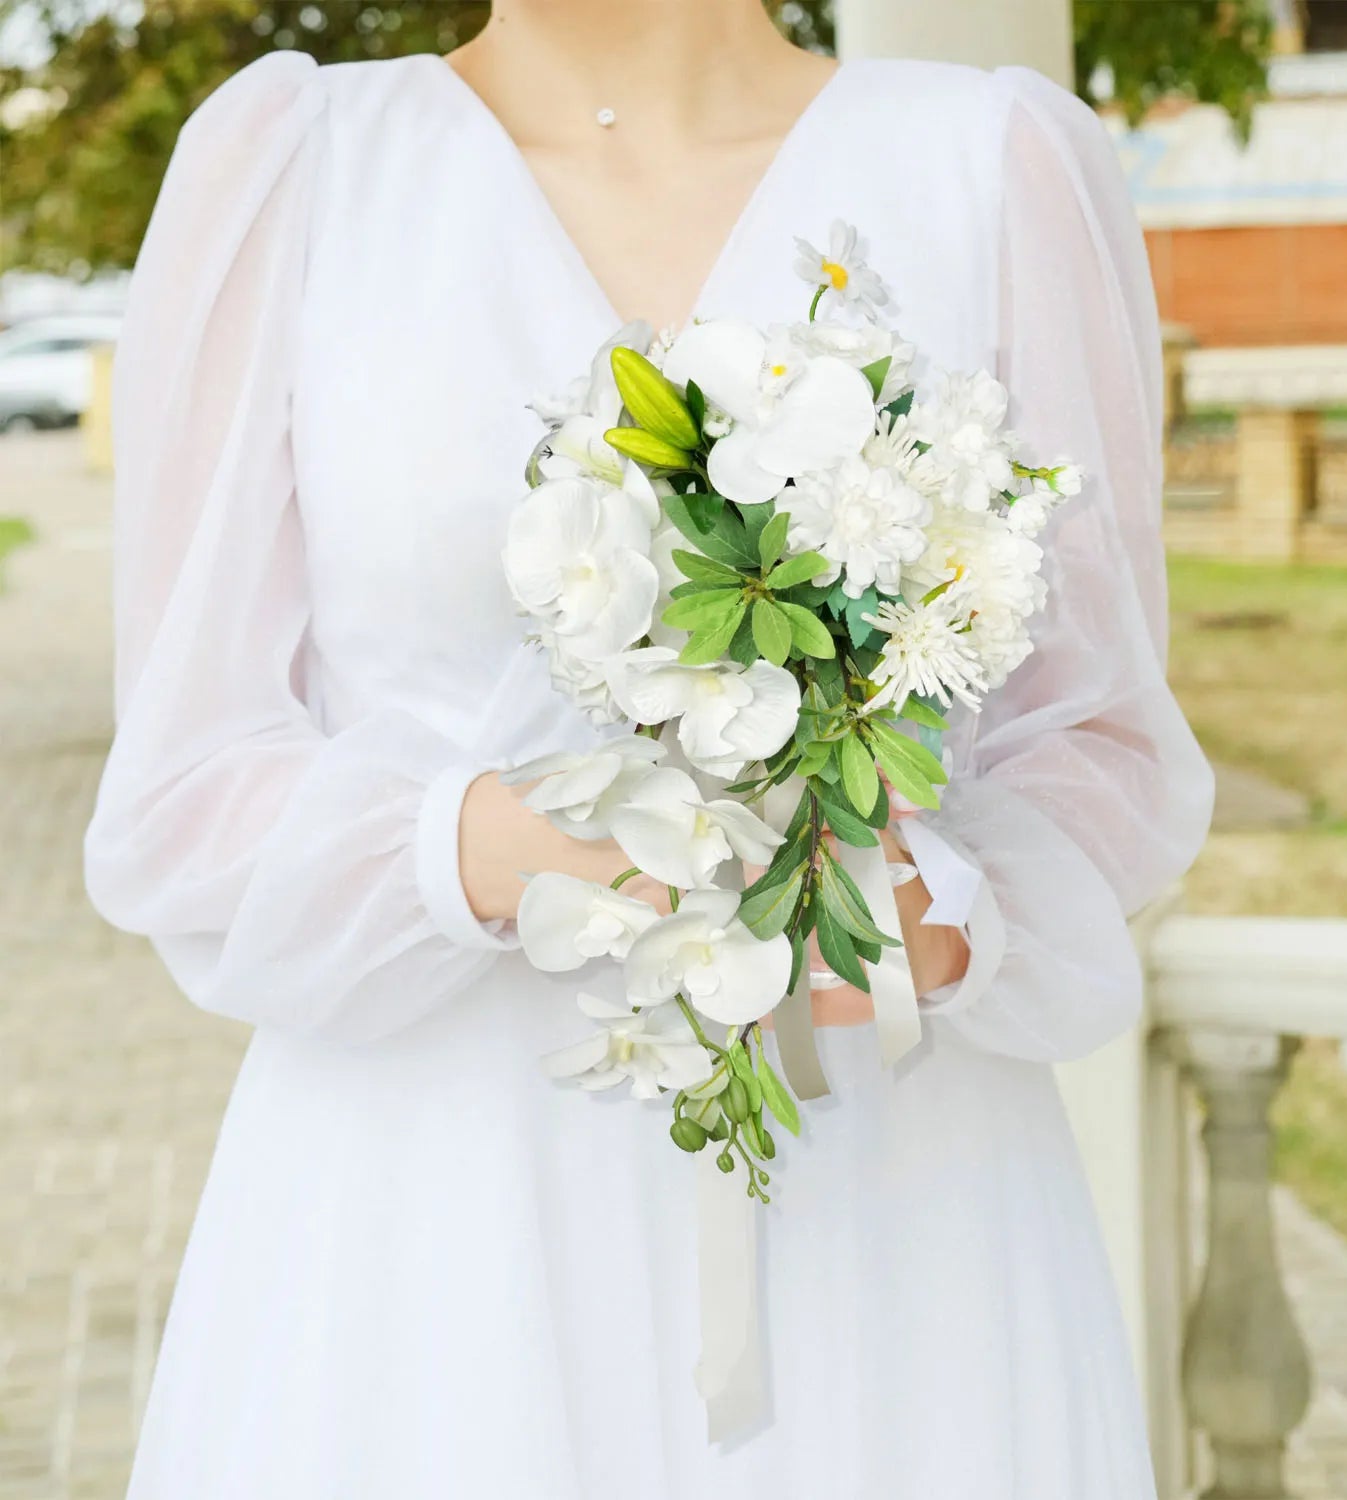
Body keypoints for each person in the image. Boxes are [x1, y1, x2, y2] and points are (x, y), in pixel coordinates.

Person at [83, 1, 1216, 1495]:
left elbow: (1106, 737)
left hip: (897, 1207)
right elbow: (184, 786)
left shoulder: (993, 162)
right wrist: (522, 847)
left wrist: (932, 911)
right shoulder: (297, 168)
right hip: (427, 1226)